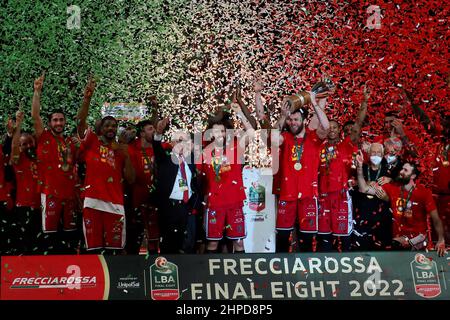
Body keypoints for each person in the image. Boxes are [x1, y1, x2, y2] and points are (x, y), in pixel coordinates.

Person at [31, 73, 89, 253]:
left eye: (61, 120)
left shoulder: (71, 141)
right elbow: (35, 116)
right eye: (55, 120)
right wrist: (37, 92)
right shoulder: (44, 137)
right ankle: (50, 272)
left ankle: (68, 270)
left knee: (70, 236)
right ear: (49, 123)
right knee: (50, 236)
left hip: (70, 195)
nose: (59, 123)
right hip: (50, 194)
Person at [272, 91, 330, 252]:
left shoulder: (314, 138)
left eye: (296, 119)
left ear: (304, 121)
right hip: (287, 195)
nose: (292, 123)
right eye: (290, 120)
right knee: (282, 238)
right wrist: (283, 116)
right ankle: (281, 272)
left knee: (307, 239)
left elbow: (326, 127)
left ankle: (306, 273)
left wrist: (315, 104)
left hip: (308, 196)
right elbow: (272, 139)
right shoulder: (286, 137)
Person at [356, 155, 446, 256]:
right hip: (398, 240)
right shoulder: (393, 188)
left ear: (413, 176)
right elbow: (364, 189)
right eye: (402, 169)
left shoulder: (424, 193)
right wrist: (359, 169)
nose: (401, 172)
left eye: (405, 170)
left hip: (418, 239)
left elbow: (436, 219)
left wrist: (441, 240)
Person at [316, 85, 369, 252]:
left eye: (335, 127)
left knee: (343, 234)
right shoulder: (318, 146)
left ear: (340, 131)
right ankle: (325, 266)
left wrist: (365, 101)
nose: (331, 129)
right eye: (329, 126)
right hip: (323, 196)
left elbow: (358, 123)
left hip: (341, 196)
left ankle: (345, 266)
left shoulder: (346, 145)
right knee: (324, 235)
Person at [201, 101, 255, 254]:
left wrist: (239, 113)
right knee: (212, 244)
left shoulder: (236, 147)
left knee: (239, 244)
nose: (220, 135)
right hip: (215, 203)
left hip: (234, 202)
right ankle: (210, 277)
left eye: (223, 132)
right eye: (216, 132)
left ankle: (242, 276)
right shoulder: (205, 151)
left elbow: (251, 133)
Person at [153, 119, 202, 254]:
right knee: (169, 242)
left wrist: (194, 202)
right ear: (172, 143)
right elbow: (156, 147)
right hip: (169, 205)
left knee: (184, 242)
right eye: (179, 141)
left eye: (185, 141)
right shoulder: (165, 158)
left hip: (185, 206)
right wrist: (158, 132)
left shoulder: (190, 161)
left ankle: (182, 270)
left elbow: (194, 182)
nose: (183, 144)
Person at [352, 143, 394, 250]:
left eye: (378, 153)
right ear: (369, 153)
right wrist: (365, 181)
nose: (375, 155)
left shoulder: (388, 171)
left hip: (381, 214)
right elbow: (352, 183)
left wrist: (391, 179)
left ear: (383, 154)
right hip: (362, 211)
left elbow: (396, 191)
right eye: (373, 152)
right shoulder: (362, 166)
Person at [10, 110, 41, 254]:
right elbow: (14, 145)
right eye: (24, 144)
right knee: (26, 243)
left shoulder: (40, 157)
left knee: (41, 243)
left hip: (42, 206)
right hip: (24, 207)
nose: (28, 146)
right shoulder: (18, 160)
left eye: (30, 142)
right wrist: (18, 124)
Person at [127, 119, 160, 254]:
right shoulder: (132, 147)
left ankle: (153, 259)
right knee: (136, 233)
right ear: (142, 133)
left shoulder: (159, 147)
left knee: (154, 233)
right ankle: (133, 265)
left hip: (155, 198)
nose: (153, 132)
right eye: (150, 129)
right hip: (137, 197)